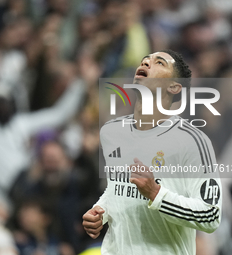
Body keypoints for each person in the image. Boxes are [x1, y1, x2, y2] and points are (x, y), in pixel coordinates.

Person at [82, 50, 222, 254]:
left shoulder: (192, 141)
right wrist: (100, 212)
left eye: (159, 63)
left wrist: (156, 194)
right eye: (144, 61)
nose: (147, 63)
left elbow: (211, 216)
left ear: (174, 87)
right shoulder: (112, 132)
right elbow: (118, 188)